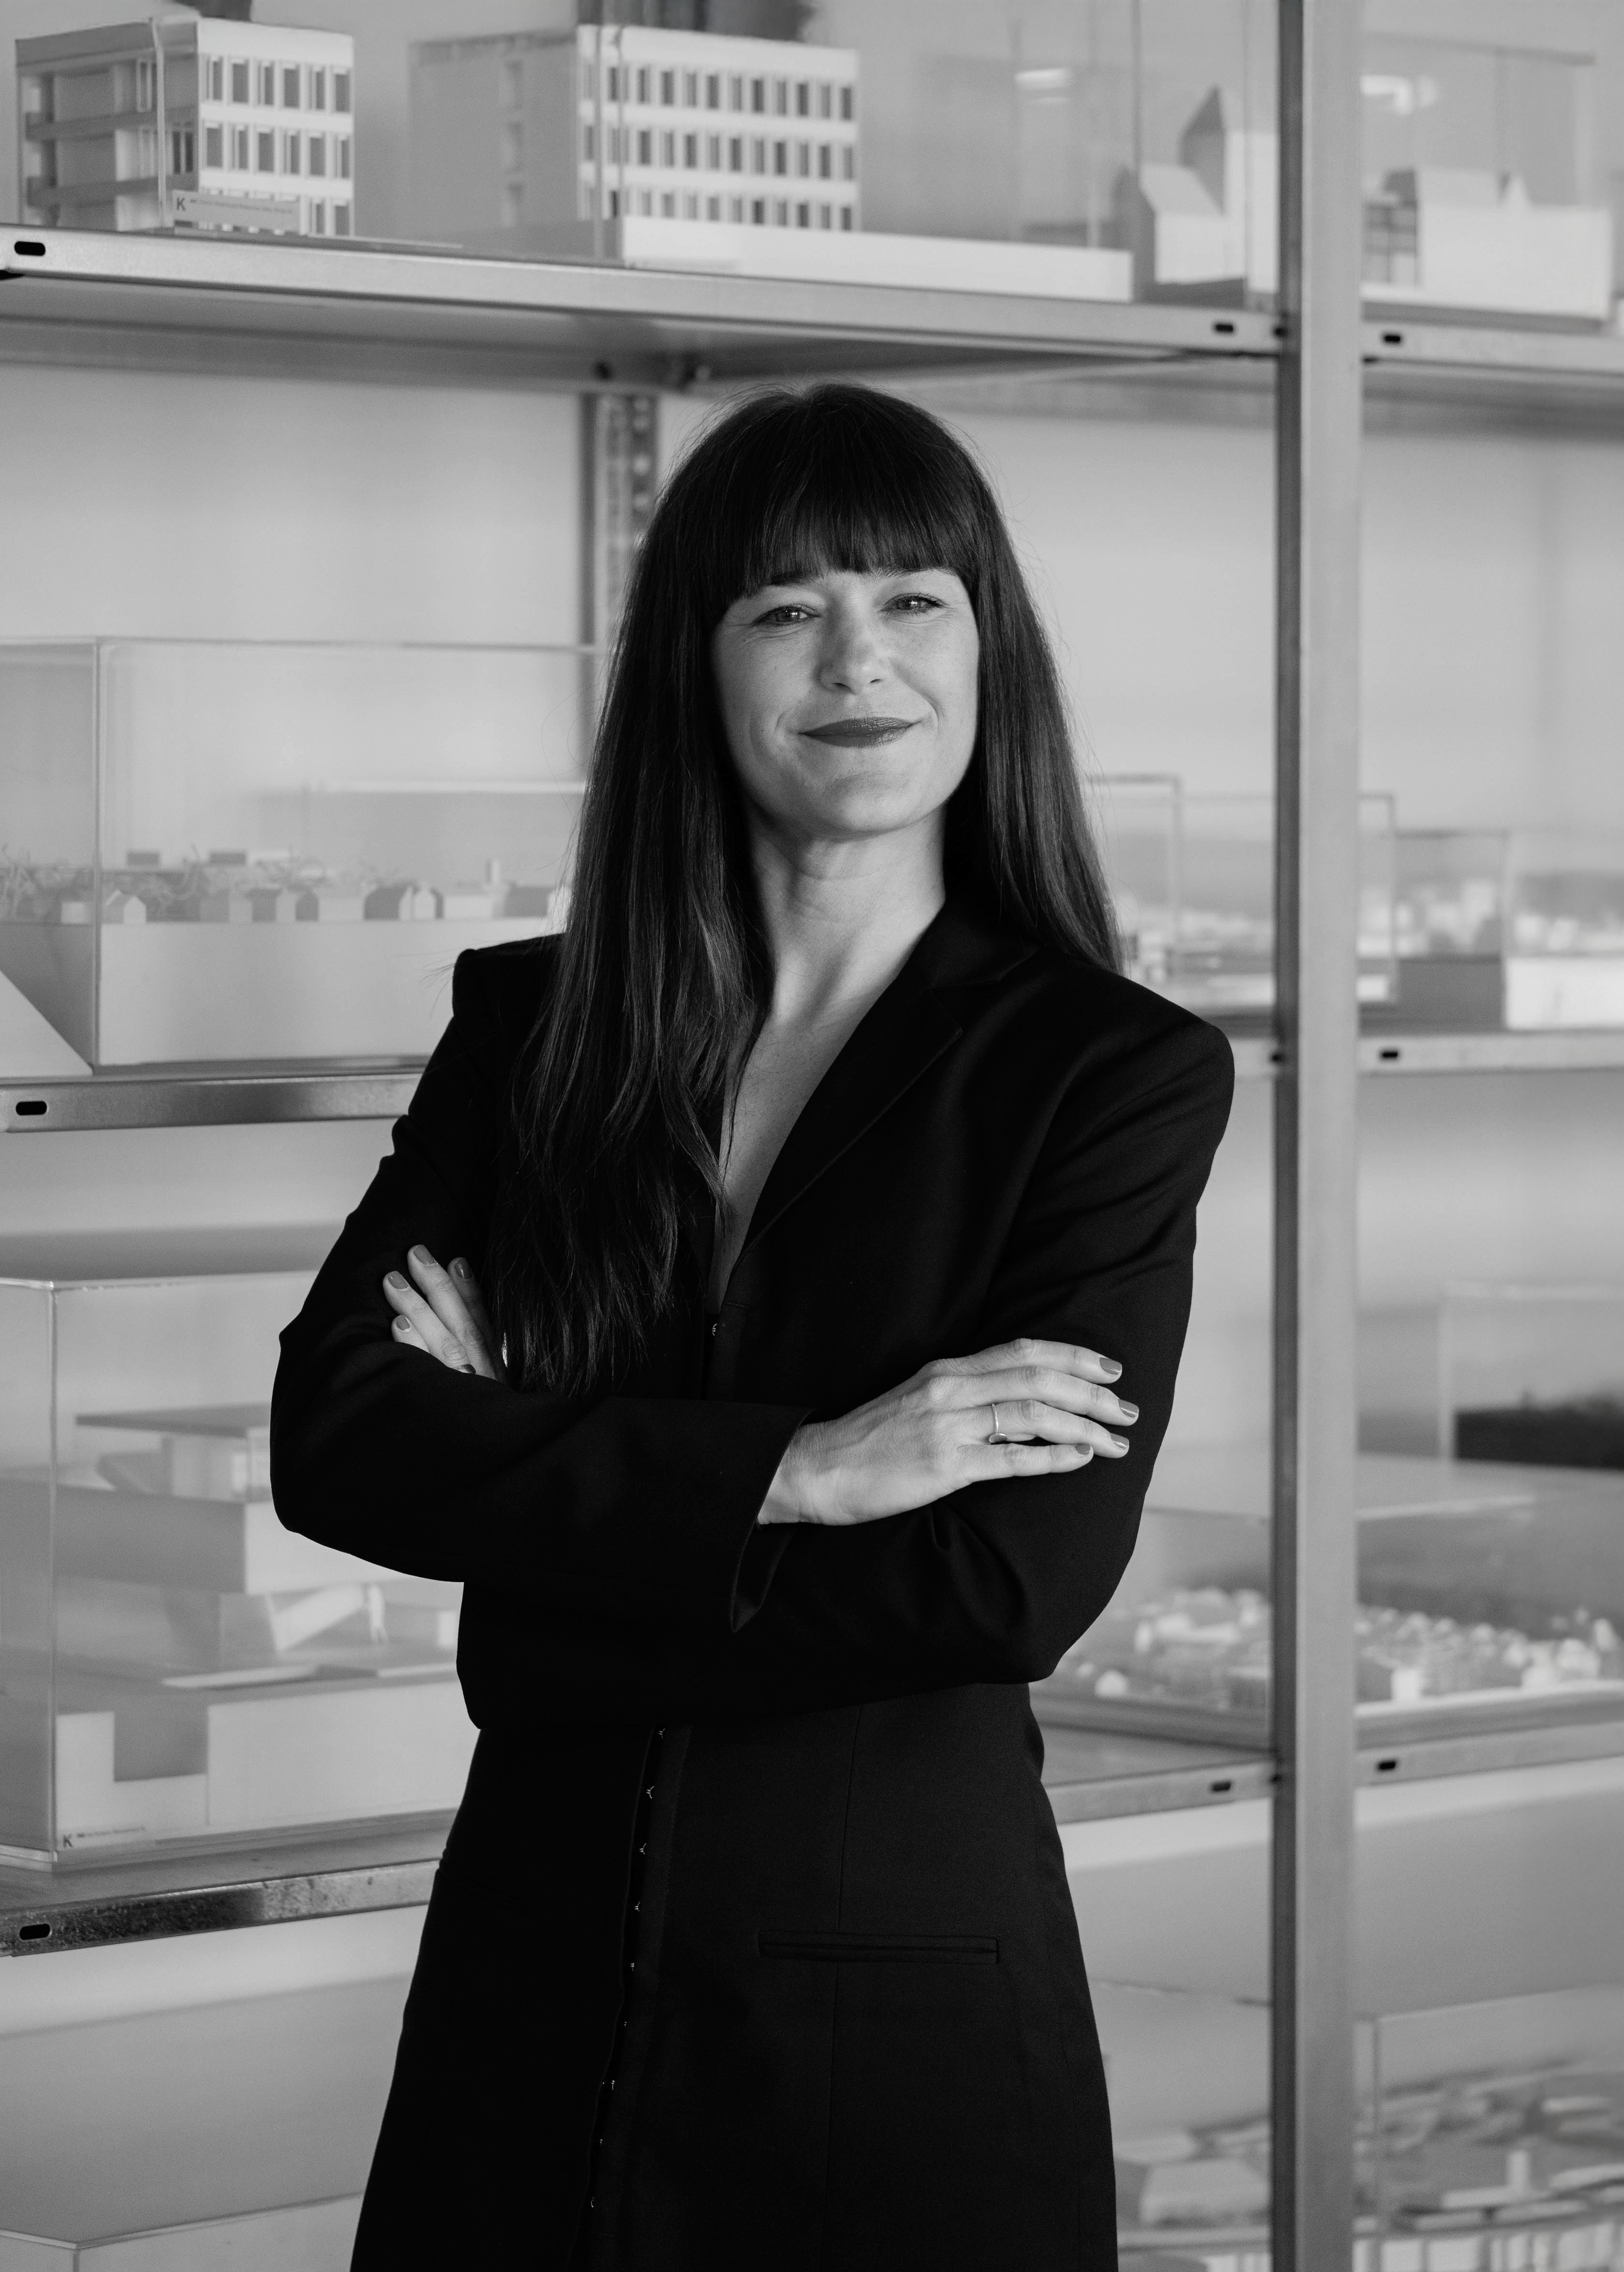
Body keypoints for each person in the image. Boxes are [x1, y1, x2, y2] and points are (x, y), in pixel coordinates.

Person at [271, 382, 1234, 2271]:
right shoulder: (534, 1034)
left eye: (914, 598)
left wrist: (532, 1514)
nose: (857, 656)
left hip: (893, 2020)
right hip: (527, 1981)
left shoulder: (1107, 1073)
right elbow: (338, 1437)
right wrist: (804, 1470)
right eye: (786, 606)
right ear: (695, 670)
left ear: (989, 651)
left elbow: (1002, 1586)